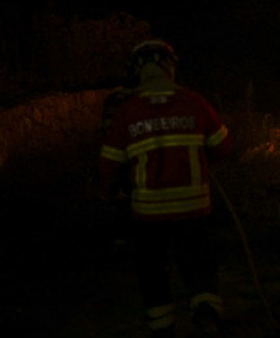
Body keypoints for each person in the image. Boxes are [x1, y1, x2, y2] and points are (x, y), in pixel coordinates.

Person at [99, 39, 233, 338]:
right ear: (170, 67)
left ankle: (162, 327)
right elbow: (223, 146)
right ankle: (206, 315)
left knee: (152, 271)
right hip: (193, 208)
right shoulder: (194, 102)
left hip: (148, 213)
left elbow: (109, 164)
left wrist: (109, 193)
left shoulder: (127, 111)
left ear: (137, 71)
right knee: (199, 263)